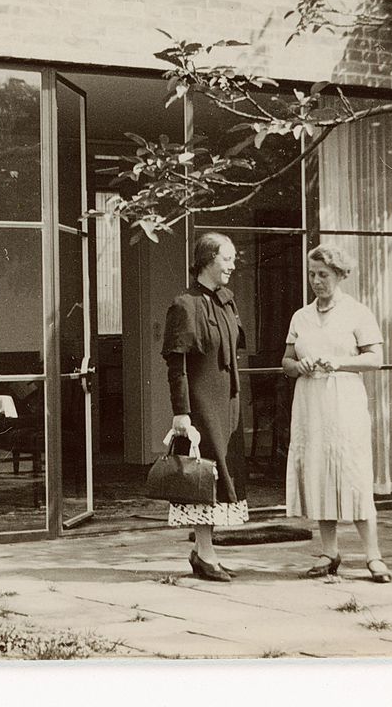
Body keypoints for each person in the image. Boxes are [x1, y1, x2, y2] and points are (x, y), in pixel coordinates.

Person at [281, 244, 392, 583]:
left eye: (323, 275)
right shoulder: (301, 316)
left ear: (341, 275)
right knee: (318, 473)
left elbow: (375, 359)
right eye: (312, 274)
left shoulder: (358, 313)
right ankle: (329, 552)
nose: (316, 281)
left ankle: (373, 556)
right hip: (311, 402)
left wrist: (339, 362)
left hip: (344, 402)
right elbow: (285, 362)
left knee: (354, 475)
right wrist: (298, 366)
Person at [160, 232, 248, 582]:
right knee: (204, 475)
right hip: (201, 402)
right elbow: (176, 365)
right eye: (227, 258)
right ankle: (205, 553)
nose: (232, 265)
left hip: (227, 399)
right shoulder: (185, 304)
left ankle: (205, 552)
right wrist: (181, 412)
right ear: (209, 259)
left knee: (222, 475)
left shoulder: (227, 300)